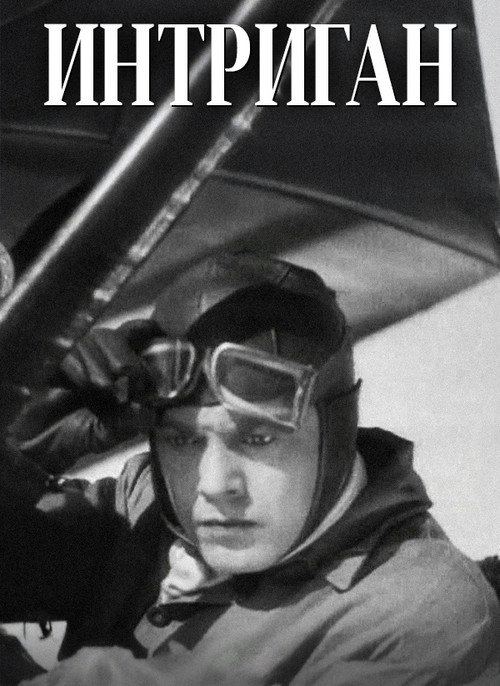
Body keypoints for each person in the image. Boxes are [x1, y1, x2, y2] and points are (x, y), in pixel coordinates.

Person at [1, 252, 499, 685]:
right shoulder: (145, 504)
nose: (215, 485)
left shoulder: (418, 612)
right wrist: (14, 447)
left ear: (336, 435)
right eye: (183, 440)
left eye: (258, 439)